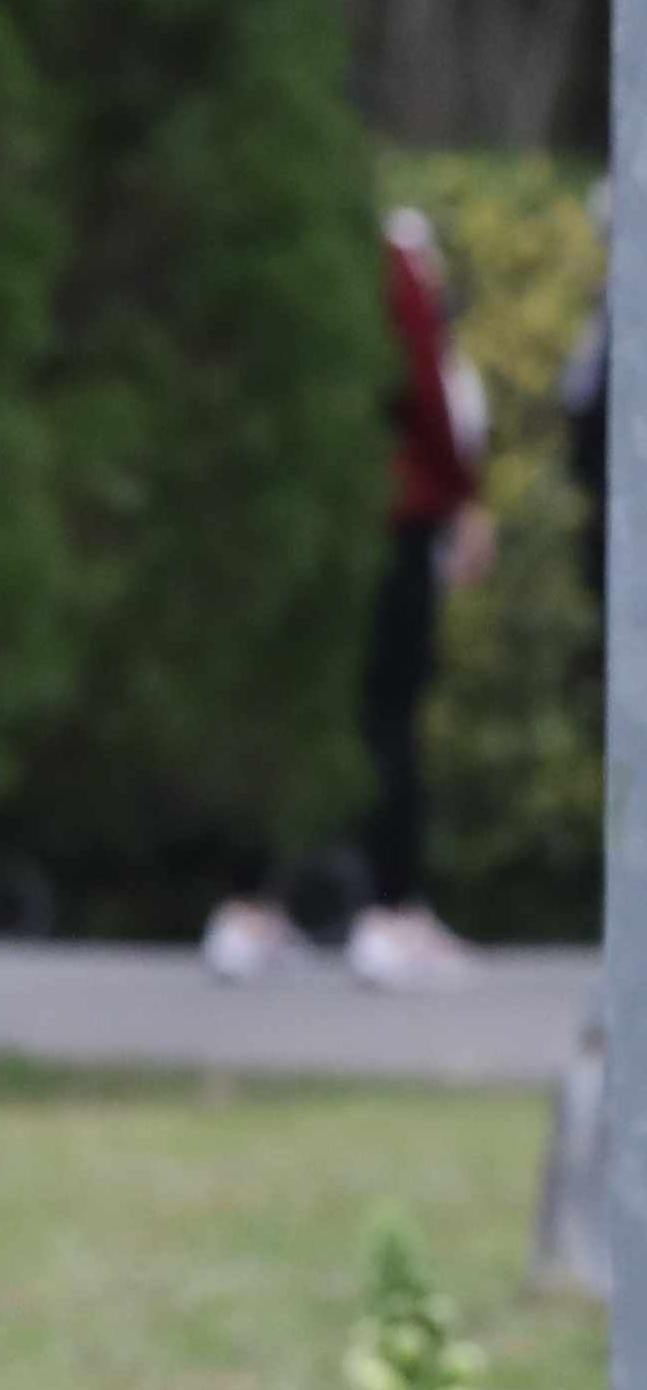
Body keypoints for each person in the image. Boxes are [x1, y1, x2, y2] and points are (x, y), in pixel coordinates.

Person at [208, 200, 497, 992]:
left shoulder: (247, 247)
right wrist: (461, 494)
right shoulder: (380, 258)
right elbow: (426, 392)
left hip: (277, 511)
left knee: (275, 709)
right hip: (381, 509)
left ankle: (245, 908)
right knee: (387, 713)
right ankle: (393, 913)